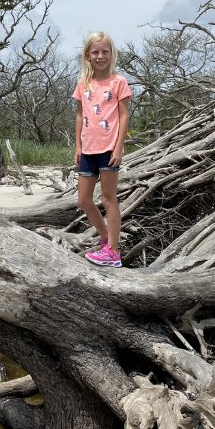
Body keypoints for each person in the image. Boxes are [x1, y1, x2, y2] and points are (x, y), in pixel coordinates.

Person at [73, 31, 132, 267]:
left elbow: (124, 114)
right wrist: (77, 145)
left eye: (105, 52)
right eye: (95, 52)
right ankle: (106, 238)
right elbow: (79, 114)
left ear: (111, 54)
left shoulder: (119, 82)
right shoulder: (83, 83)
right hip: (88, 148)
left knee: (109, 199)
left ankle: (114, 252)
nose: (100, 56)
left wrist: (119, 146)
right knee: (84, 200)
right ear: (88, 55)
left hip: (109, 148)